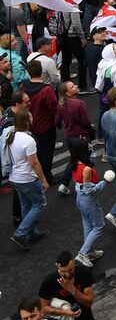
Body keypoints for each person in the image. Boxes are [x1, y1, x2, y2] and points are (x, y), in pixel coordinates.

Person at [39, 250, 96, 320]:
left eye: (70, 270)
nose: (67, 274)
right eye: (63, 271)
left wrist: (72, 289)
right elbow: (44, 309)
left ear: (74, 262)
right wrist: (65, 312)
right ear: (57, 266)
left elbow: (89, 303)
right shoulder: (49, 281)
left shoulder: (83, 272)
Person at [8, 107, 48, 249]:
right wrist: (43, 180)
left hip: (15, 177)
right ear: (26, 121)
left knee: (26, 206)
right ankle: (21, 233)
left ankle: (31, 233)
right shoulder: (28, 140)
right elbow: (34, 163)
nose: (32, 118)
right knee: (39, 204)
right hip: (27, 179)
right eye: (30, 116)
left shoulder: (11, 135)